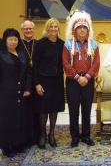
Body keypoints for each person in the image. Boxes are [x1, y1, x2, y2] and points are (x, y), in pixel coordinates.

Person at [63, 10, 100, 148]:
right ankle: (74, 137)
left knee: (87, 109)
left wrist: (88, 76)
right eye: (79, 27)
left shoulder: (94, 44)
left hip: (88, 80)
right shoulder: (67, 44)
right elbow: (66, 64)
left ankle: (86, 135)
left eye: (85, 27)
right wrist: (78, 77)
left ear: (88, 29)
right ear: (74, 29)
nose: (82, 30)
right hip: (73, 81)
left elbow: (96, 63)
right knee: (73, 109)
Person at [33, 18, 65, 149]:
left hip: (57, 81)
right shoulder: (40, 44)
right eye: (51, 27)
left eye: (55, 27)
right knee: (43, 110)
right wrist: (37, 84)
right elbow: (34, 66)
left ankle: (52, 134)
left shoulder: (62, 44)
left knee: (54, 108)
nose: (53, 29)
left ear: (58, 29)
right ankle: (42, 135)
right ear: (47, 28)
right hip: (43, 81)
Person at [0, 28, 32, 157]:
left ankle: (19, 143)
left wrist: (28, 88)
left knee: (21, 118)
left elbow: (29, 72)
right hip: (6, 92)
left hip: (23, 92)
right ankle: (7, 146)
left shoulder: (22, 53)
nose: (13, 42)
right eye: (10, 39)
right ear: (5, 40)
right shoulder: (1, 55)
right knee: (8, 119)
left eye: (15, 39)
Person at [20, 20, 40, 146]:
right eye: (26, 29)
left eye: (30, 29)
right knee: (24, 112)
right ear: (22, 30)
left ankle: (37, 137)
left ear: (34, 30)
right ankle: (25, 138)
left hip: (37, 81)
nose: (28, 31)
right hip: (23, 83)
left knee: (37, 110)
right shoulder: (18, 44)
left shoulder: (38, 44)